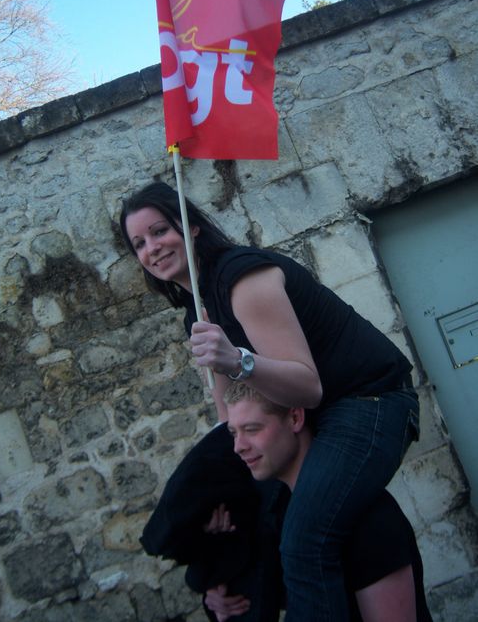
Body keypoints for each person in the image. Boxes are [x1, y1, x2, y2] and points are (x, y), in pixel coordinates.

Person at [120, 181, 420, 621]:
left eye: (161, 230)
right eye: (139, 243)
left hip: (371, 401)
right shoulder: (198, 310)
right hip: (315, 419)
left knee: (306, 540)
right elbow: (231, 420)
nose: (153, 248)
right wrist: (216, 560)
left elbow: (307, 387)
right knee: (259, 531)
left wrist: (235, 359)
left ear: (192, 227)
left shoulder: (244, 278)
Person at [209, 382, 433, 622]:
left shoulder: (367, 517)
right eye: (234, 433)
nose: (238, 447)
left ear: (295, 418)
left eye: (252, 429)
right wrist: (223, 593)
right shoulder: (278, 514)